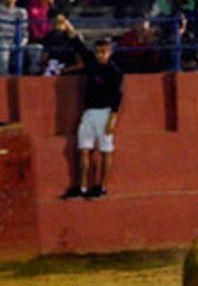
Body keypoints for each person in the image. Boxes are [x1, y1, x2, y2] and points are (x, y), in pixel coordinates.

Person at [60, 18, 123, 200]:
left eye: (103, 51)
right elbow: (77, 43)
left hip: (105, 113)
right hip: (89, 112)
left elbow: (117, 97)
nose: (100, 54)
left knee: (105, 150)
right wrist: (67, 25)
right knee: (84, 149)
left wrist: (113, 118)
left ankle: (102, 186)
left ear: (109, 52)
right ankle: (83, 186)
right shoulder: (92, 63)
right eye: (98, 51)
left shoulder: (114, 72)